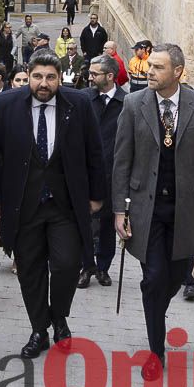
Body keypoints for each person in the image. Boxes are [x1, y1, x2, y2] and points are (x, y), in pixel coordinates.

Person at [0, 52, 104, 359]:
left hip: (64, 204)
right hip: (22, 205)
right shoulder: (6, 105)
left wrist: (96, 195)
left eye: (50, 77)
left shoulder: (78, 105)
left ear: (59, 78)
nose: (43, 83)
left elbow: (95, 152)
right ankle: (39, 330)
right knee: (30, 270)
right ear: (28, 75)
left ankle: (59, 316)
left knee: (66, 265)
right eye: (37, 77)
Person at [112, 43, 194, 381]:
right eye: (149, 67)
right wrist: (120, 209)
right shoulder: (133, 104)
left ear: (178, 71)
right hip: (147, 208)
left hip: (186, 210)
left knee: (177, 274)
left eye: (158, 67)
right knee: (155, 277)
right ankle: (156, 351)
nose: (149, 72)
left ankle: (156, 302)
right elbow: (121, 161)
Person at [80, 54, 125, 288]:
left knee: (108, 224)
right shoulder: (84, 99)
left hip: (112, 174)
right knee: (84, 222)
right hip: (85, 173)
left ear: (109, 76)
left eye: (94, 74)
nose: (90, 77)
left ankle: (103, 267)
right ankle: (85, 266)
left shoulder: (127, 103)